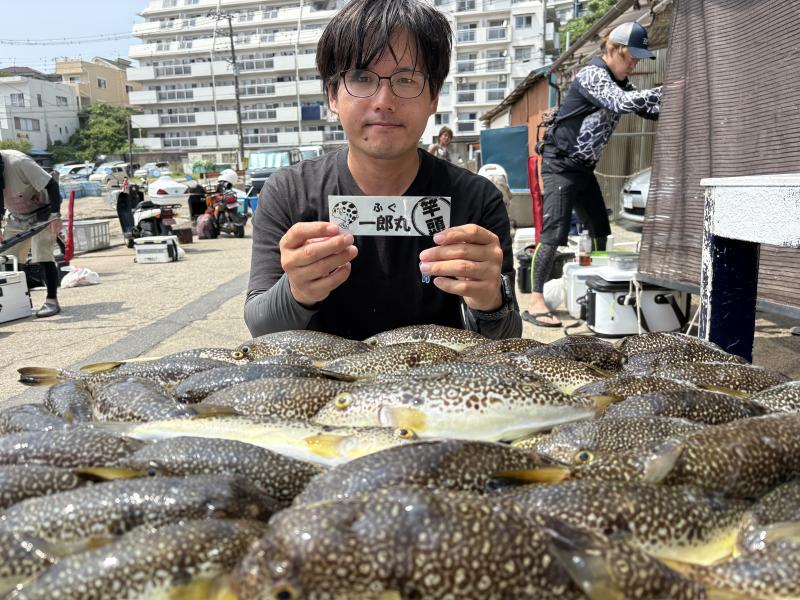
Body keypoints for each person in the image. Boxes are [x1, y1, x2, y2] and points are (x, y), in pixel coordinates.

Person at [245, 0, 521, 341]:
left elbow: (507, 339)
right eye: (362, 77)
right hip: (322, 389)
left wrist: (490, 301)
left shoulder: (477, 199)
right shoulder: (288, 191)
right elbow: (261, 327)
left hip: (438, 388)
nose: (384, 100)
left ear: (433, 96)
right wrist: (297, 289)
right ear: (332, 95)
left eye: (406, 79)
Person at [524, 21, 662, 327]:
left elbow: (646, 108)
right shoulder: (593, 75)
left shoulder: (621, 82)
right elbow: (622, 103)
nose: (634, 65)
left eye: (637, 60)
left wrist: (676, 101)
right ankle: (534, 301)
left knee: (601, 228)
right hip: (560, 164)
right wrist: (668, 89)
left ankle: (597, 278)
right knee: (554, 234)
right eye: (630, 58)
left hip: (583, 169)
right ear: (612, 50)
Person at [0, 150, 63, 318]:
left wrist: (55, 216)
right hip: (16, 215)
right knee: (7, 257)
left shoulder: (19, 162)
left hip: (42, 211)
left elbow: (52, 185)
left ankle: (51, 300)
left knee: (41, 252)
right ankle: (19, 302)